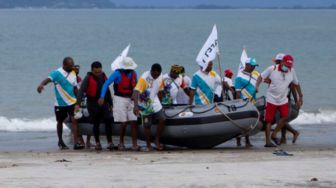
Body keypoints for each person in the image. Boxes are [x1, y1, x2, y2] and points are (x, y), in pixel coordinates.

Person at [37, 57, 83, 150]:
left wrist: (79, 101)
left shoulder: (73, 72)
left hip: (72, 102)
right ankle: (60, 141)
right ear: (64, 65)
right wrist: (41, 84)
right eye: (70, 66)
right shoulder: (56, 73)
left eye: (72, 65)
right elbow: (47, 79)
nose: (72, 67)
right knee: (60, 122)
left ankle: (76, 143)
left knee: (74, 120)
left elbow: (75, 87)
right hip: (60, 103)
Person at [256, 54, 302, 147]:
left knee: (285, 117)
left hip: (283, 100)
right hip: (271, 99)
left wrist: (300, 97)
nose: (288, 68)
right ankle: (268, 142)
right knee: (268, 120)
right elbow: (260, 76)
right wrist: (257, 86)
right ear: (282, 62)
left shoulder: (292, 71)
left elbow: (296, 84)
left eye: (290, 66)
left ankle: (274, 135)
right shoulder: (272, 69)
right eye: (287, 65)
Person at [98, 57, 140, 151]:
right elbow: (106, 84)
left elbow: (136, 88)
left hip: (131, 99)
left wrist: (137, 102)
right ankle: (121, 143)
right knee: (124, 122)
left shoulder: (133, 74)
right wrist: (102, 96)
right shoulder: (117, 73)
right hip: (120, 99)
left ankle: (134, 144)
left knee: (134, 121)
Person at [76, 61, 113, 151]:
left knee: (108, 120)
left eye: (99, 71)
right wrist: (78, 104)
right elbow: (81, 91)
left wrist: (111, 103)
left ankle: (110, 142)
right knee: (96, 122)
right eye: (96, 72)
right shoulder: (88, 78)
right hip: (92, 103)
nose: (98, 73)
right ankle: (97, 143)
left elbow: (107, 90)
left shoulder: (103, 76)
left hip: (103, 102)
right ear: (92, 70)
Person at [133, 63, 166, 151]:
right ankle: (148, 145)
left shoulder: (161, 77)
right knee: (147, 125)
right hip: (145, 103)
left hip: (155, 101)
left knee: (162, 119)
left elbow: (161, 91)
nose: (156, 76)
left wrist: (162, 103)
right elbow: (136, 92)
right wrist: (136, 106)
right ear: (151, 71)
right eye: (154, 74)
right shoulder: (144, 78)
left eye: (158, 74)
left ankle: (156, 139)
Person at [272, 53, 302, 144]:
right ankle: (283, 138)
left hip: (285, 99)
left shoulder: (289, 71)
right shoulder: (277, 70)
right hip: (277, 99)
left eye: (277, 61)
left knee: (279, 119)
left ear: (281, 61)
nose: (276, 63)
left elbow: (293, 86)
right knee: (281, 119)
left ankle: (294, 132)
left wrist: (298, 100)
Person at [234, 58, 260, 147]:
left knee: (250, 122)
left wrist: (256, 88)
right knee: (242, 122)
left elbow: (257, 83)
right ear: (247, 65)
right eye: (252, 66)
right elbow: (237, 92)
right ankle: (238, 139)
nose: (253, 68)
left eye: (255, 66)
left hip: (252, 101)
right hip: (243, 103)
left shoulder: (254, 75)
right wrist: (238, 104)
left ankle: (247, 140)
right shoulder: (239, 77)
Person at [74, 64, 93, 149]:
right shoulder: (70, 79)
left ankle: (88, 141)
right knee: (76, 120)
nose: (77, 71)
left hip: (83, 101)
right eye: (75, 70)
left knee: (88, 118)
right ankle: (81, 140)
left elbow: (83, 90)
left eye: (78, 70)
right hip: (74, 102)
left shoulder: (80, 79)